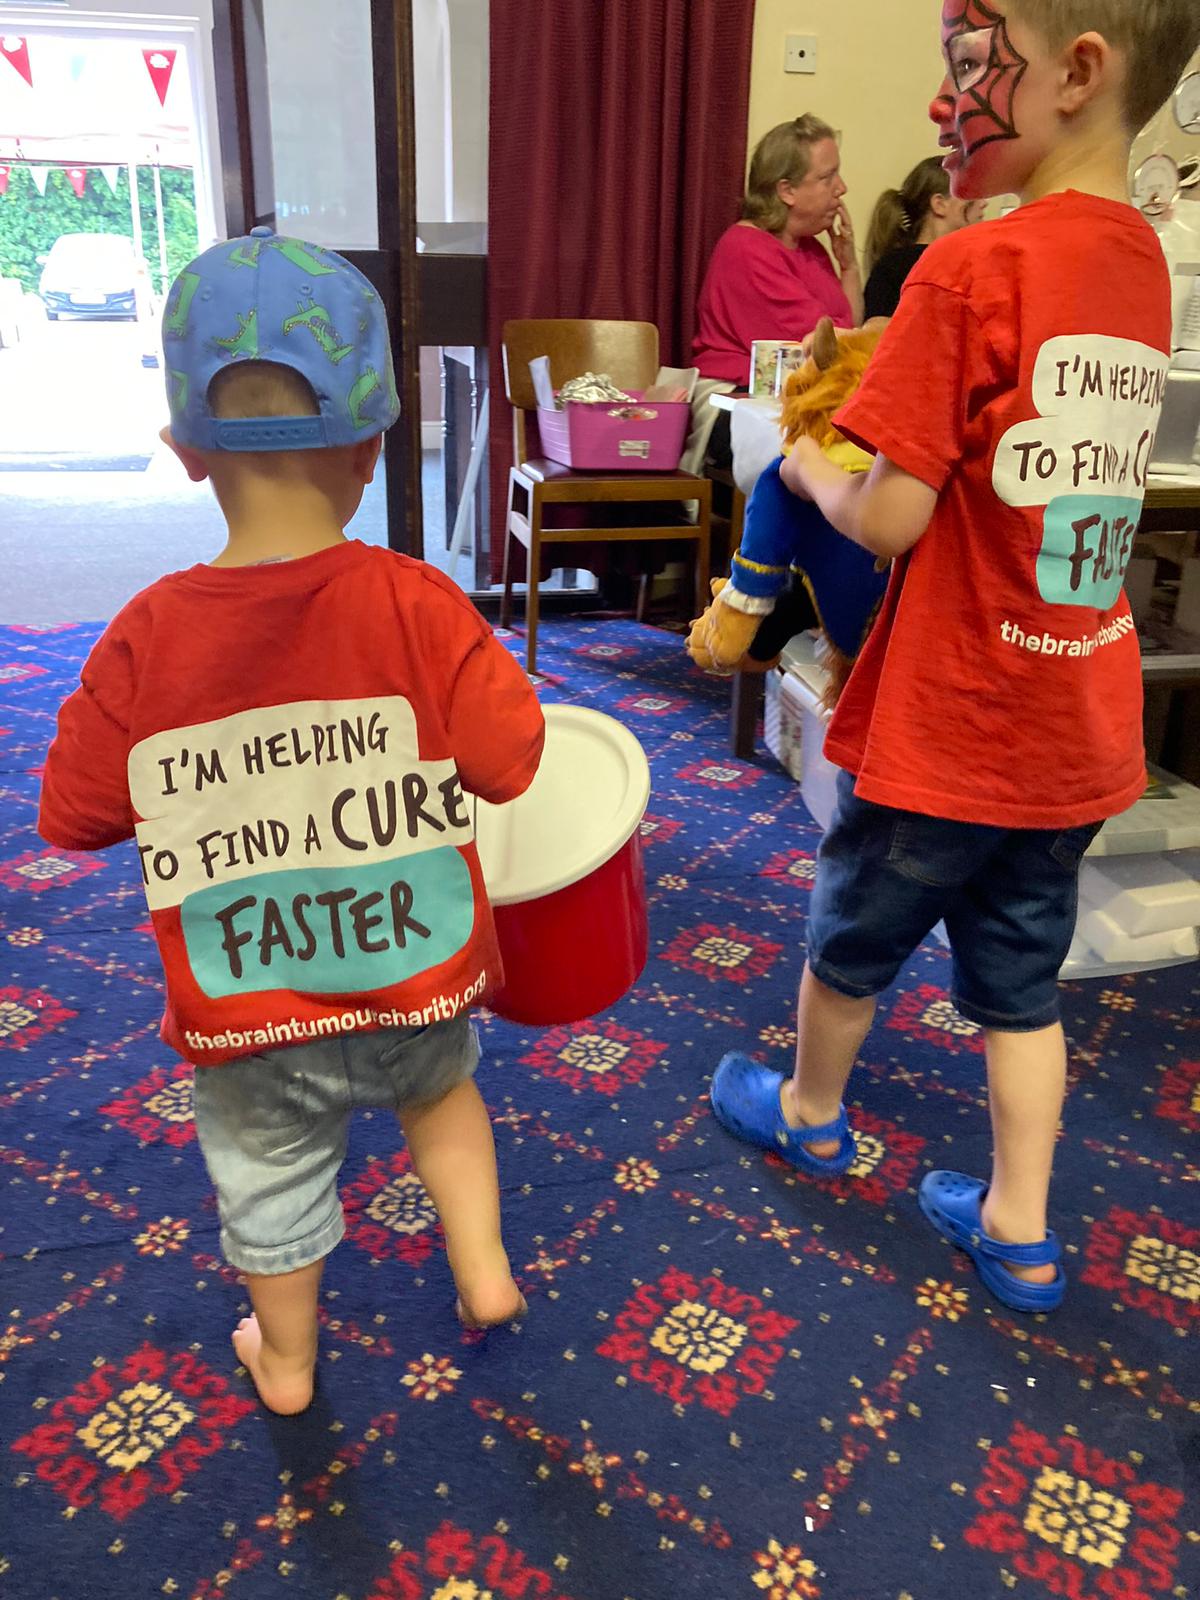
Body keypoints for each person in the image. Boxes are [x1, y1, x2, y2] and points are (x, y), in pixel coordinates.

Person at [709, 0, 1200, 1313]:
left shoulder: (969, 269)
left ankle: (812, 1113)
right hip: (1078, 714)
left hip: (956, 724)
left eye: (974, 66)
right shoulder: (1140, 264)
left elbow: (896, 513)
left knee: (851, 934)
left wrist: (807, 467)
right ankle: (1022, 1229)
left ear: (1078, 74)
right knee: (1020, 985)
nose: (946, 101)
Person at [37, 227, 545, 1412]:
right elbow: (513, 760)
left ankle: (290, 1363)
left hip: (252, 1004)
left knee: (267, 1175)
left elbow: (73, 812)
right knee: (442, 1094)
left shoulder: (146, 634)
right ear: (372, 449)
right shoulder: (419, 600)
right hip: (415, 966)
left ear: (183, 454)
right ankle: (480, 1268)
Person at [693, 116, 862, 389]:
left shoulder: (811, 248)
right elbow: (821, 348)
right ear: (787, 191)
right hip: (736, 395)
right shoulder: (747, 249)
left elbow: (848, 331)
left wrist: (849, 268)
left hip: (792, 389)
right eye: (827, 177)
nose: (841, 188)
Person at [863, 155, 985, 319]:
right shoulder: (899, 269)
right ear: (939, 204)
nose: (983, 202)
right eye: (970, 192)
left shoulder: (888, 267)